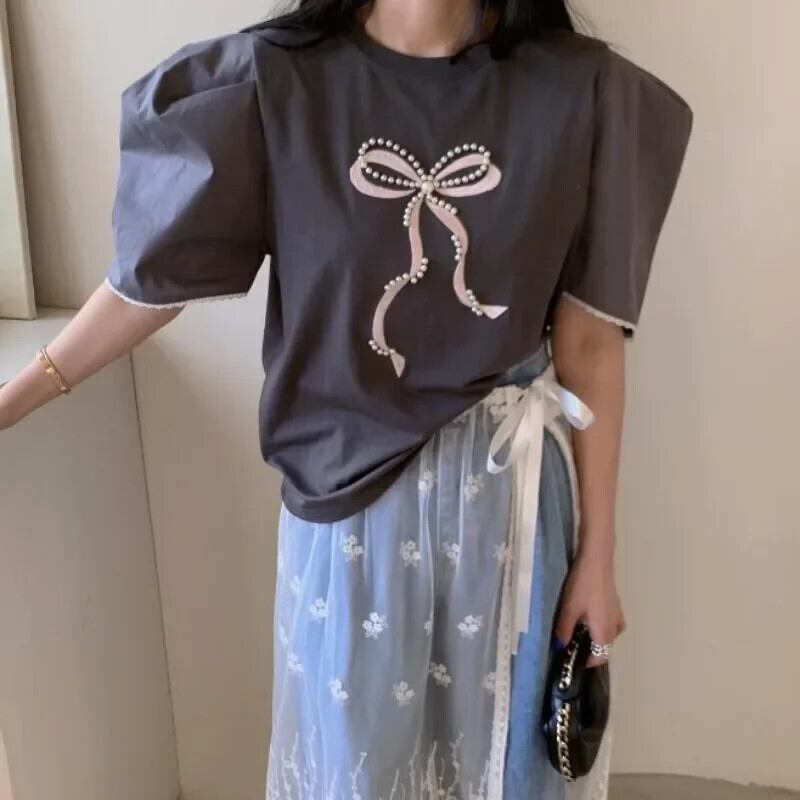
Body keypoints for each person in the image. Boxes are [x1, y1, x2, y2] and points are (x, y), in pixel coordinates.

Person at [0, 1, 692, 797]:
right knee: (355, 773)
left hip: (511, 506)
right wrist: (20, 394)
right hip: (351, 517)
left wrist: (598, 559)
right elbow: (148, 288)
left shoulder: (577, 91)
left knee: (502, 774)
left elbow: (590, 344)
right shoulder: (274, 86)